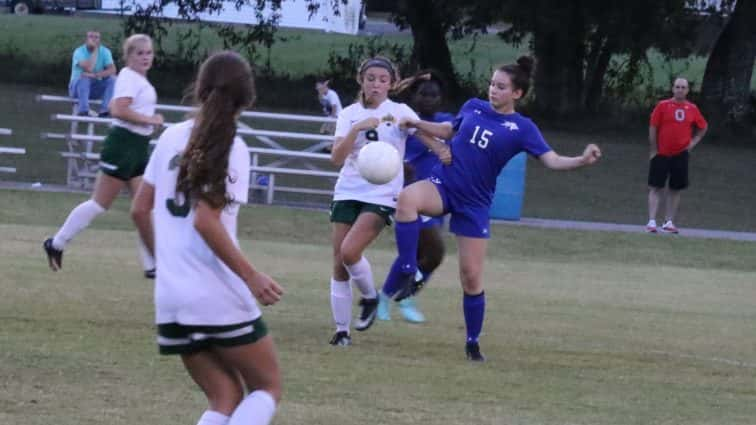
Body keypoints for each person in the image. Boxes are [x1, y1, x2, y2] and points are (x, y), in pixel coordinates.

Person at [380, 56, 601, 361]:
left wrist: (581, 160)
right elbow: (447, 130)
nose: (492, 90)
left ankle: (472, 343)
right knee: (407, 200)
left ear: (517, 94)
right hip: (444, 185)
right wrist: (417, 123)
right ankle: (407, 268)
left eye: (501, 87)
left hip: (474, 203)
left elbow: (551, 160)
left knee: (471, 277)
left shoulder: (522, 128)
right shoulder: (473, 106)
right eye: (491, 84)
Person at [130, 50, 284, 425]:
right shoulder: (233, 146)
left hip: (170, 294)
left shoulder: (170, 137)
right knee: (267, 388)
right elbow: (206, 221)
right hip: (213, 291)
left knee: (225, 397)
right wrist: (251, 276)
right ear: (247, 97)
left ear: (199, 89)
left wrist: (164, 264)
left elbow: (139, 209)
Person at [327, 56, 450, 346]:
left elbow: (424, 136)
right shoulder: (349, 114)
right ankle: (342, 330)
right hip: (348, 189)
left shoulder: (399, 111)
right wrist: (357, 128)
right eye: (371, 79)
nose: (376, 84)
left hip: (383, 194)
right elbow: (336, 158)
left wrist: (443, 152)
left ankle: (370, 297)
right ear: (361, 80)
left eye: (383, 79)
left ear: (391, 83)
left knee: (349, 251)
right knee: (339, 263)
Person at [44, 34, 163, 278]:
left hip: (138, 146)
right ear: (128, 56)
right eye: (138, 53)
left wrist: (148, 123)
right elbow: (117, 109)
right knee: (100, 204)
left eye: (148, 52)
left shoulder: (139, 79)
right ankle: (56, 243)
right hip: (123, 145)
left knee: (144, 207)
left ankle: (152, 265)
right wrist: (150, 120)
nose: (145, 57)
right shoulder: (130, 78)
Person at [377, 70, 454, 323]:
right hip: (409, 197)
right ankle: (400, 297)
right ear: (414, 97)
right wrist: (402, 169)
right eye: (424, 93)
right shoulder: (404, 124)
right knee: (434, 253)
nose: (430, 99)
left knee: (415, 255)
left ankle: (388, 298)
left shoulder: (446, 122)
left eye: (435, 94)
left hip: (437, 197)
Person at [646, 77, 707, 234]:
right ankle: (652, 221)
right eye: (677, 87)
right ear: (673, 89)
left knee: (676, 188)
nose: (680, 89)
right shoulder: (663, 106)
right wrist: (653, 149)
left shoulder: (692, 108)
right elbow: (653, 127)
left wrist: (693, 143)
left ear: (687, 90)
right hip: (662, 152)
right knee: (656, 186)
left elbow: (703, 127)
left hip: (680, 154)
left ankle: (669, 221)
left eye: (683, 87)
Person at [69, 31, 117, 117]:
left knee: (113, 79)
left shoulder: (105, 52)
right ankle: (83, 110)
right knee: (84, 78)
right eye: (91, 37)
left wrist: (95, 75)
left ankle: (104, 111)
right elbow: (89, 68)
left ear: (100, 39)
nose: (94, 39)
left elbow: (112, 70)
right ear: (86, 39)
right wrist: (95, 50)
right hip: (77, 89)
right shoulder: (79, 51)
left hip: (94, 88)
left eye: (96, 37)